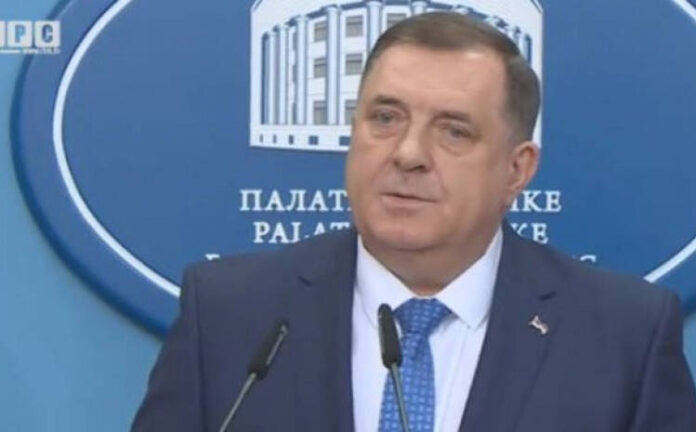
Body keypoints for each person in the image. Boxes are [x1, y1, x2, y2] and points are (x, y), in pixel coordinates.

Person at [132, 12, 696, 431]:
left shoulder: (624, 337)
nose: (407, 154)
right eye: (385, 118)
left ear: (517, 170)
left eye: (453, 131)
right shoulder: (230, 313)